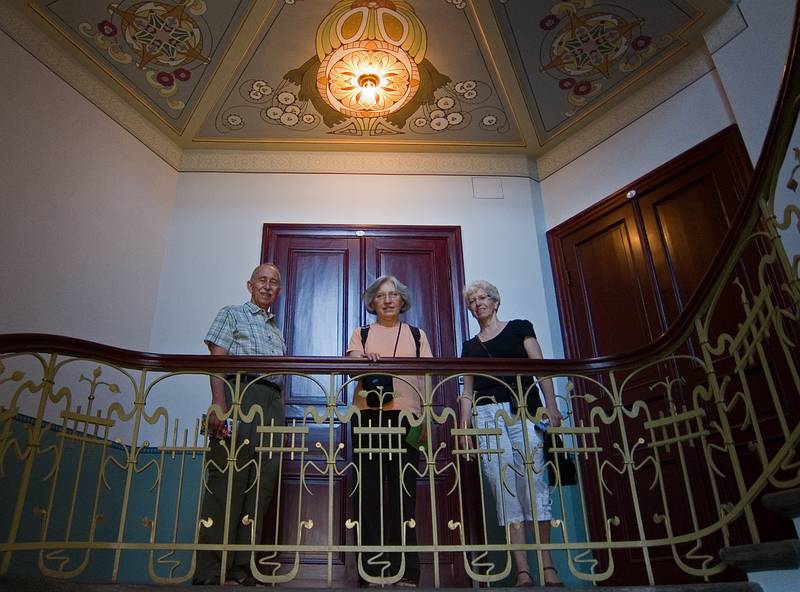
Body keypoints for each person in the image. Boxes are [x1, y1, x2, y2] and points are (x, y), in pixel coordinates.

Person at [459, 280, 564, 587]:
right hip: (487, 415)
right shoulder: (469, 346)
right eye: (472, 301)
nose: (478, 303)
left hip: (524, 409)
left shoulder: (520, 327)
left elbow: (540, 367)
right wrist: (465, 427)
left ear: (495, 302)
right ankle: (522, 570)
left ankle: (547, 565)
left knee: (534, 483)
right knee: (502, 490)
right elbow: (467, 391)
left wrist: (552, 405)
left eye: (483, 298)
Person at [193, 263, 287, 586]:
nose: (267, 285)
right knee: (227, 480)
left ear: (278, 290)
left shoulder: (277, 331)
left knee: (260, 485)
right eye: (262, 279)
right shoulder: (232, 314)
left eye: (274, 282)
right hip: (240, 393)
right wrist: (219, 404)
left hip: (272, 401)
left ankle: (241, 570)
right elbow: (217, 357)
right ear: (250, 285)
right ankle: (210, 571)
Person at [347, 275, 433, 587]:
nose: (387, 300)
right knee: (369, 492)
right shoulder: (362, 333)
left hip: (407, 418)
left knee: (404, 491)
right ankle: (371, 569)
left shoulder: (416, 334)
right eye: (381, 295)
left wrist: (423, 418)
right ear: (372, 302)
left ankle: (407, 570)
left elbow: (427, 377)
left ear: (402, 301)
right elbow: (352, 366)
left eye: (393, 295)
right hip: (369, 416)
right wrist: (364, 360)